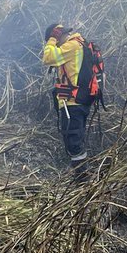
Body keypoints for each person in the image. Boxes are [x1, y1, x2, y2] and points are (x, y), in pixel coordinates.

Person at [41, 22, 93, 175]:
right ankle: (80, 173)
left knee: (73, 141)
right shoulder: (80, 44)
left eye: (55, 39)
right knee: (75, 137)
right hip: (78, 101)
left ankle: (82, 179)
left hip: (73, 102)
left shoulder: (72, 46)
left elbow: (48, 58)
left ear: (58, 36)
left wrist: (51, 40)